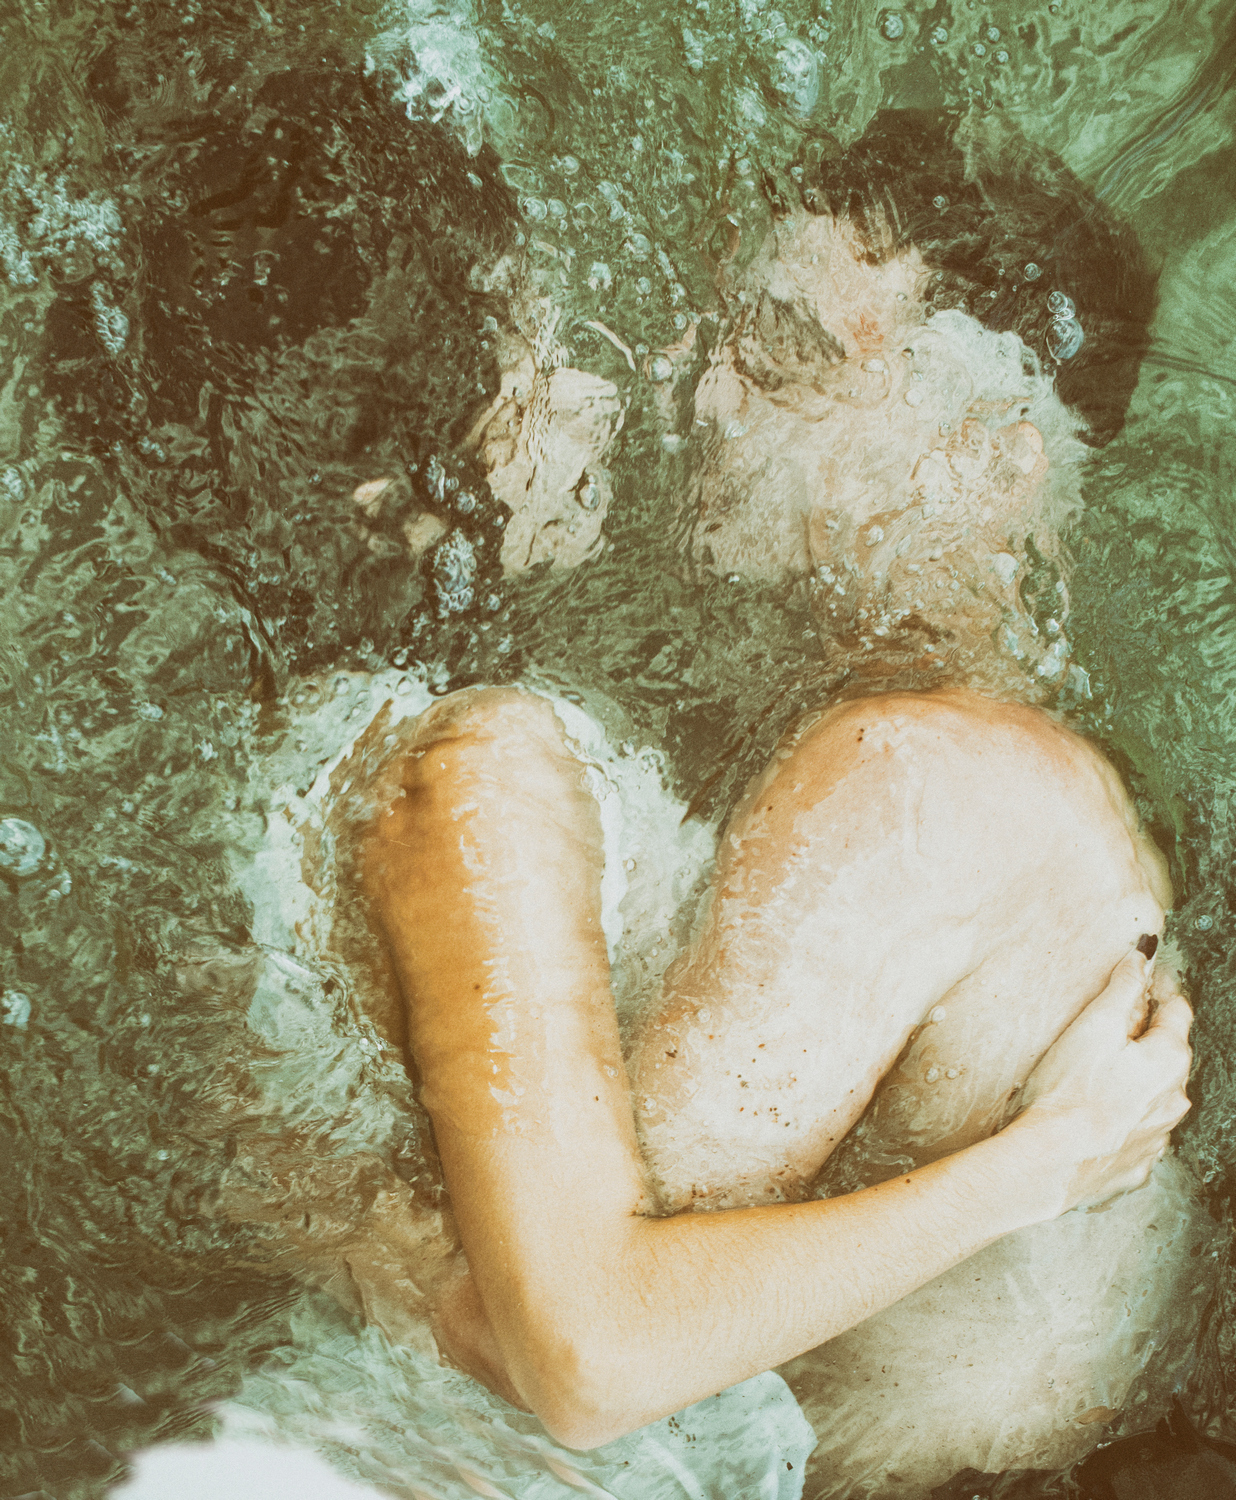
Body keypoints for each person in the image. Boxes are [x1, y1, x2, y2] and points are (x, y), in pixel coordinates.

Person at [254, 112, 1198, 1495]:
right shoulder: (1022, 754)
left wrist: (300, 1183)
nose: (700, 391)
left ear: (993, 464)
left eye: (785, 356)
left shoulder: (907, 786)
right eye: (725, 330)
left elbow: (565, 1342)